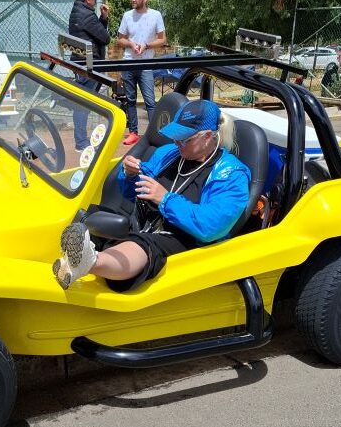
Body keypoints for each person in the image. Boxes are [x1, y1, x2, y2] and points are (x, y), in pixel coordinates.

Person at [52, 99, 250, 292]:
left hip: (187, 240)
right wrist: (129, 175)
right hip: (146, 223)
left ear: (208, 136)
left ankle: (92, 262)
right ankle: (69, 258)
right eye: (176, 136)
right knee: (97, 216)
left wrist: (165, 199)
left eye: (185, 139)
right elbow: (134, 193)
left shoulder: (231, 175)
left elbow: (210, 226)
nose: (177, 142)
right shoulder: (170, 153)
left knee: (144, 244)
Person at [117, 0, 166, 146]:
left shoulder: (156, 15)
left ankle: (153, 134)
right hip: (128, 62)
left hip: (146, 63)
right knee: (130, 99)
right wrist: (131, 44)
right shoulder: (127, 16)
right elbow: (120, 39)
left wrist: (146, 45)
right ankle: (133, 133)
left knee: (150, 101)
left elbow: (162, 39)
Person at [68, 0, 110, 151]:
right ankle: (80, 142)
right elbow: (105, 38)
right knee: (83, 104)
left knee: (82, 102)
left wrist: (102, 18)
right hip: (89, 64)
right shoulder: (88, 16)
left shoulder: (76, 11)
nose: (96, 0)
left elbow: (95, 33)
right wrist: (104, 18)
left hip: (79, 61)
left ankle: (81, 139)